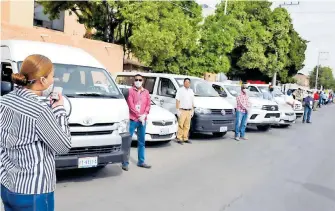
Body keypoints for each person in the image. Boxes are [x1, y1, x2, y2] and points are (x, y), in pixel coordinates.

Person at [0, 54, 71, 211]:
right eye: (52, 76)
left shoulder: (4, 101)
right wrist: (59, 109)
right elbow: (63, 146)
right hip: (33, 192)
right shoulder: (39, 111)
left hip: (7, 185)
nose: (53, 81)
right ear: (43, 80)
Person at [122, 74, 151, 171]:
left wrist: (145, 114)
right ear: (134, 81)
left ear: (142, 81)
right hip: (133, 119)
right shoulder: (131, 91)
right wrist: (139, 115)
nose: (138, 81)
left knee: (141, 142)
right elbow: (130, 104)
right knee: (127, 141)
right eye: (136, 80)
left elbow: (148, 105)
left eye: (140, 80)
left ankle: (141, 161)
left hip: (143, 120)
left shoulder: (146, 92)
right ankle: (125, 162)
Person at [176, 78, 194, 145]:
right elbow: (177, 100)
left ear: (190, 83)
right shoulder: (180, 90)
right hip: (182, 110)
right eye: (185, 82)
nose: (187, 83)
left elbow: (192, 101)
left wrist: (192, 110)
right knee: (181, 124)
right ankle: (179, 138)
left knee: (187, 125)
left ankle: (185, 138)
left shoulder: (191, 91)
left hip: (189, 110)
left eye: (188, 82)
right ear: (183, 83)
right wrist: (177, 110)